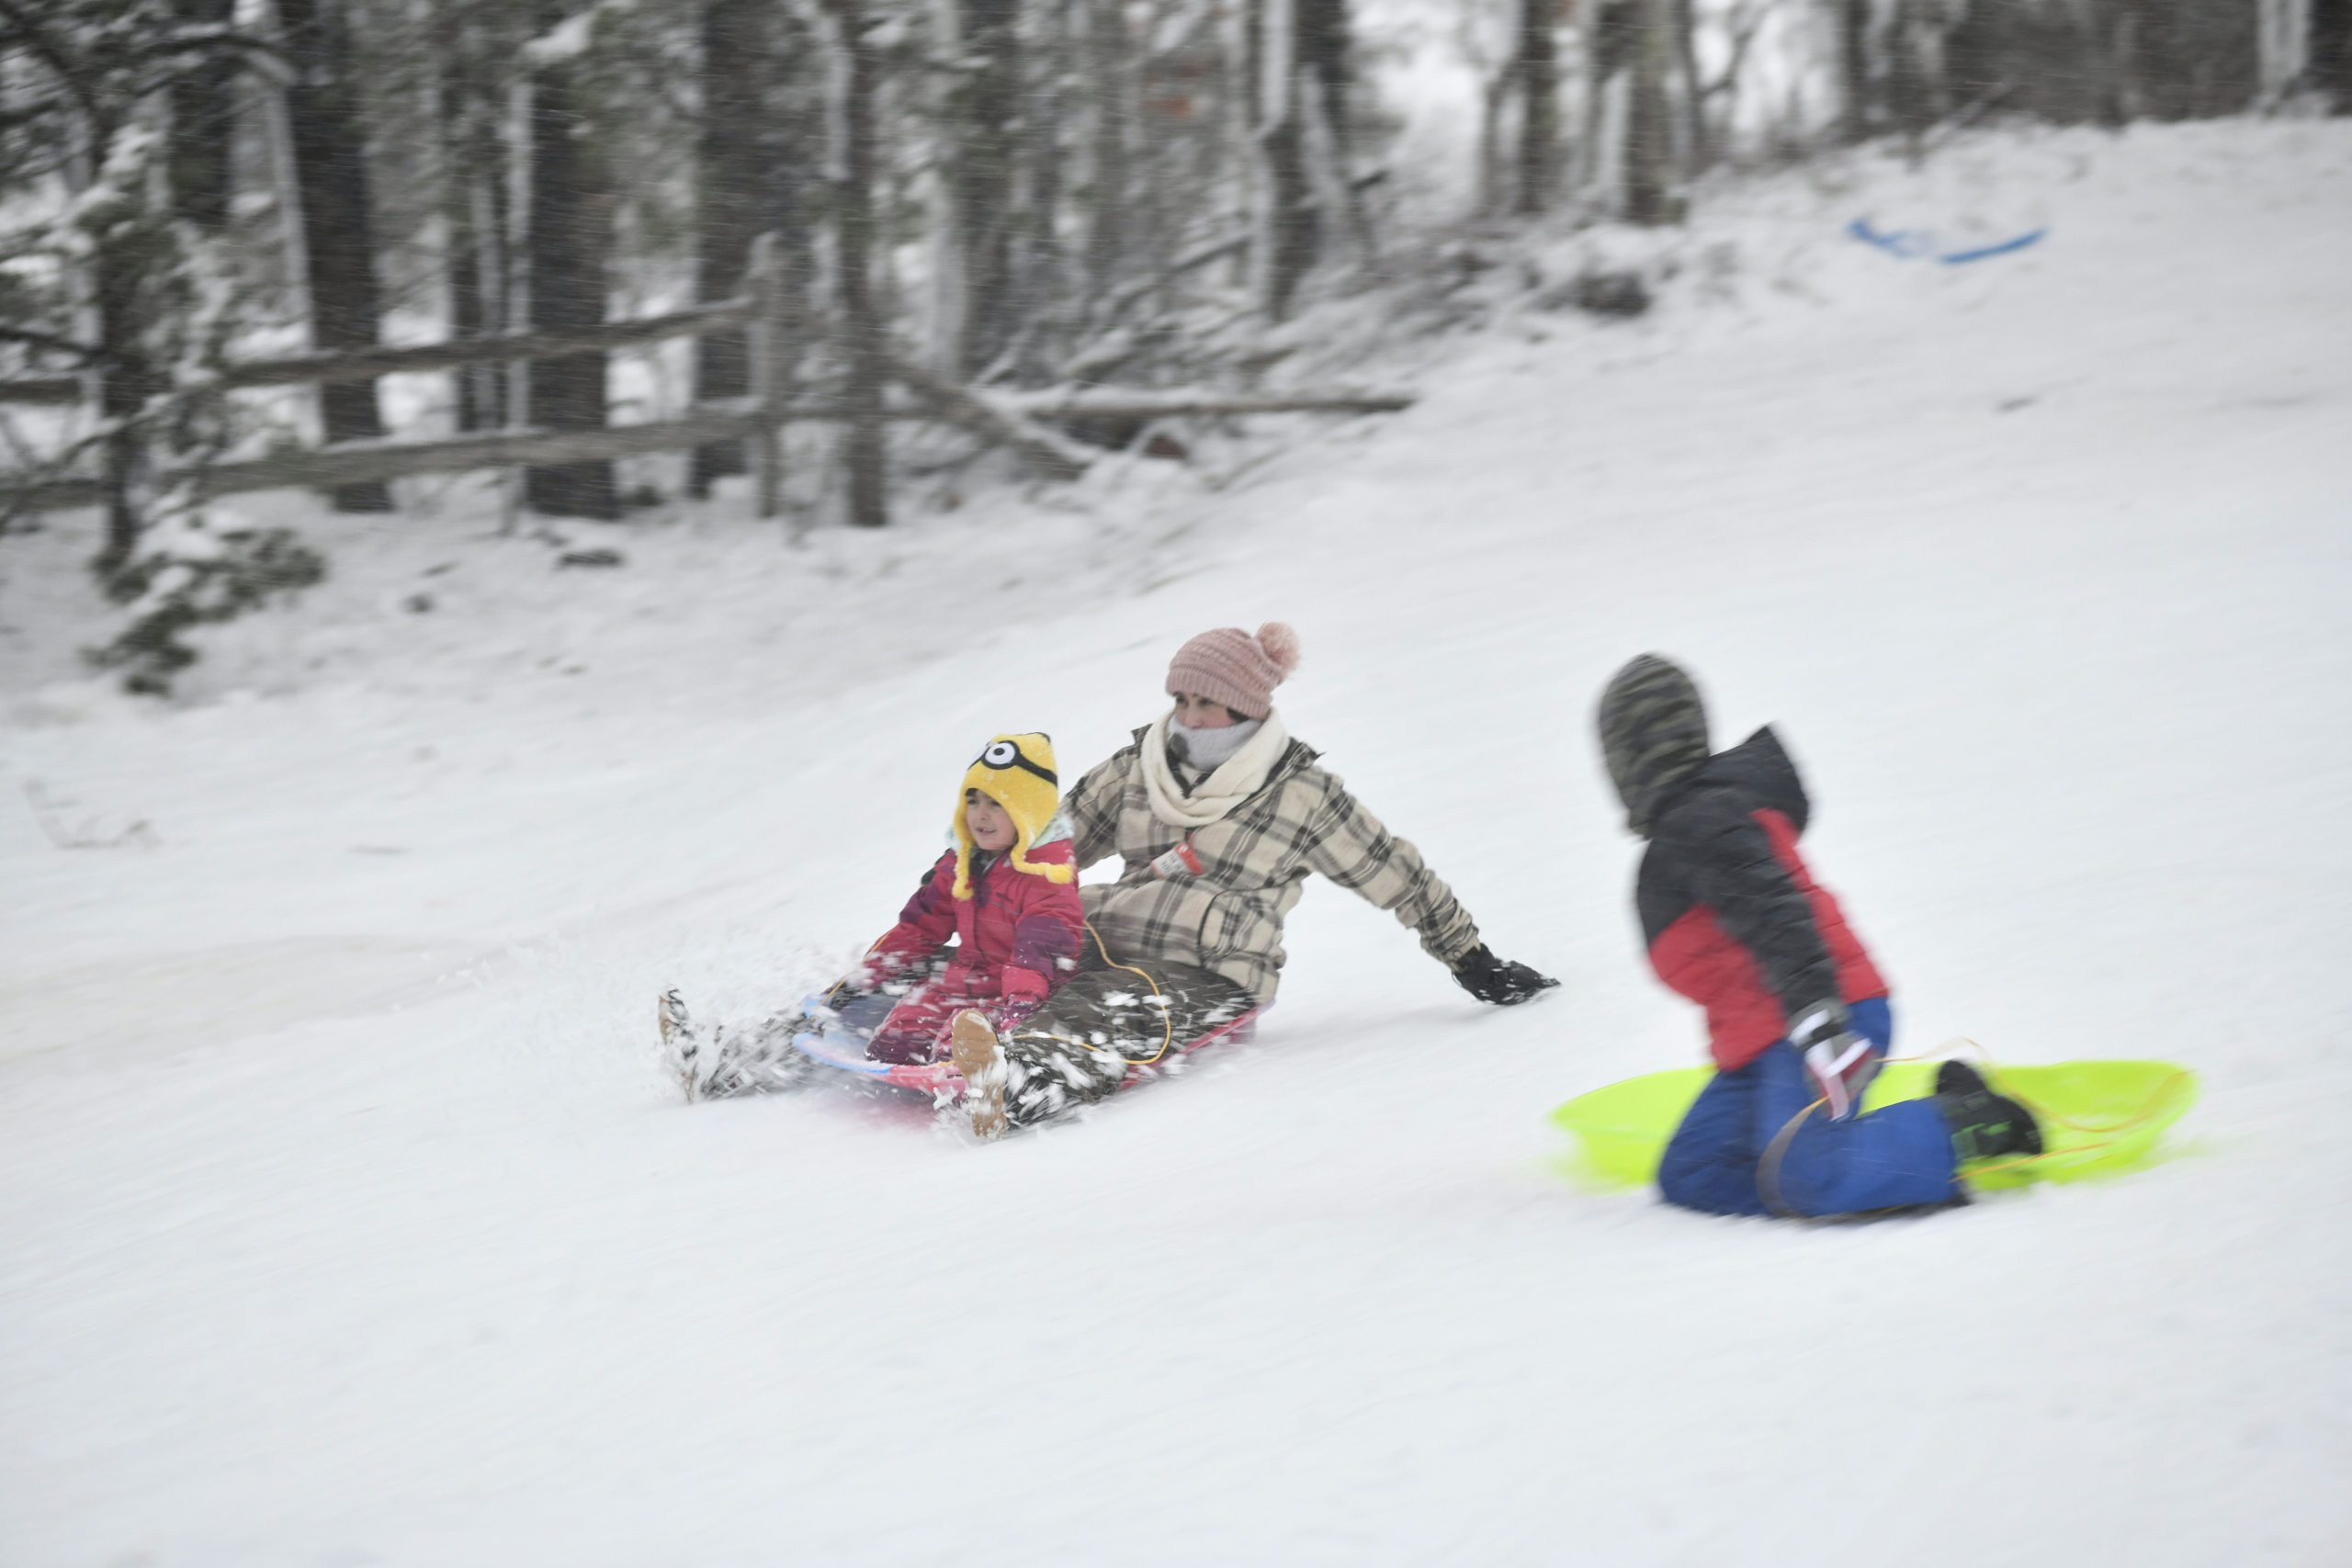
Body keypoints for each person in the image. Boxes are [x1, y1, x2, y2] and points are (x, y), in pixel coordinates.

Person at [950, 623, 1558, 1137]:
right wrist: (962, 884)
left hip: (1211, 968)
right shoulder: (1140, 765)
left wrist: (1472, 958)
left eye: (1207, 704)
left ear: (1249, 709)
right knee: (1012, 952)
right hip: (1108, 925)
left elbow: (1396, 873)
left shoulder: (1301, 795)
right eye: (1181, 699)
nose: (1188, 717)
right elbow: (1050, 839)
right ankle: (915, 1015)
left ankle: (1016, 1084)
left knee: (1111, 1006)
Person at [1593, 653, 2041, 1218]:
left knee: (1808, 1173)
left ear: (1625, 761)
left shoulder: (1704, 821)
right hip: (1762, 1046)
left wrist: (1817, 1019)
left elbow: (1777, 914)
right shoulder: (1685, 834)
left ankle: (1963, 1123)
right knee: (1694, 1172)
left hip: (1824, 1022)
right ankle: (1828, 1172)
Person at [677, 732, 1085, 1131]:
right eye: (973, 800)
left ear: (1028, 810)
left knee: (955, 1049)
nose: (980, 814)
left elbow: (1039, 956)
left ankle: (993, 1097)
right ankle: (718, 1063)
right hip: (965, 978)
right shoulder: (962, 862)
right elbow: (918, 929)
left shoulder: (1046, 877)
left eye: (997, 804)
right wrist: (864, 978)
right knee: (893, 1045)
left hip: (1019, 992)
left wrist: (1018, 1011)